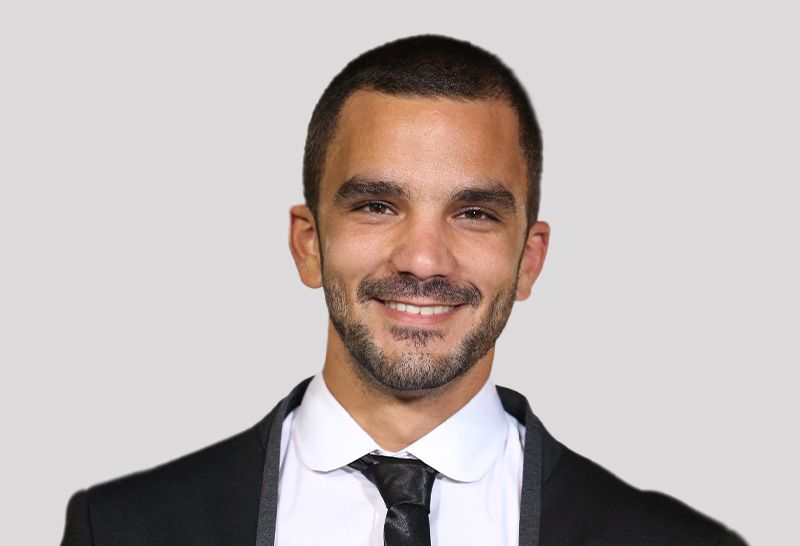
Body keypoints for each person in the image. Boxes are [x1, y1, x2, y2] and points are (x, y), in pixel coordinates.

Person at [61, 34, 746, 545]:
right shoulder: (121, 530)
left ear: (529, 261)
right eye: (376, 206)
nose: (422, 259)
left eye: (474, 213)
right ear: (308, 243)